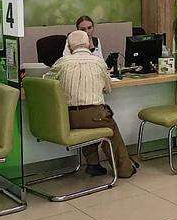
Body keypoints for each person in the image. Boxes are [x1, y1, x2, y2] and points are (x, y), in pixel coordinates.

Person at [46, 30, 136, 178]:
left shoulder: (61, 63)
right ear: (88, 44)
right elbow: (108, 89)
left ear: (69, 46)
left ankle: (93, 164)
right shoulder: (99, 62)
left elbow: (47, 82)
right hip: (94, 116)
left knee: (90, 124)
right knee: (108, 126)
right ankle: (124, 169)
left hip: (67, 118)